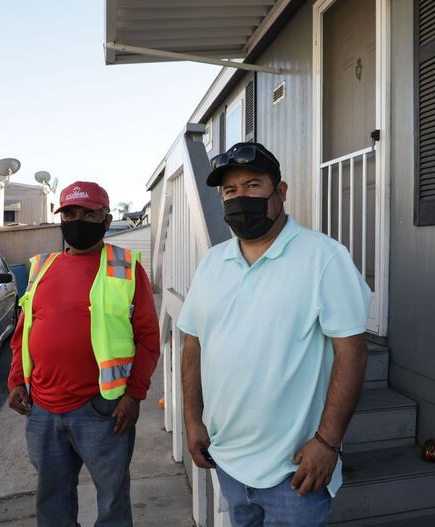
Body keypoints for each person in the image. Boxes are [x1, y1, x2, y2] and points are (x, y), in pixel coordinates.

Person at [178, 142, 371, 526]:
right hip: (228, 460)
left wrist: (328, 442)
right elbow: (193, 344)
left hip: (294, 471)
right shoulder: (212, 262)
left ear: (279, 191)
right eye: (230, 191)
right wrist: (192, 418)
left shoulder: (324, 257)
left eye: (252, 185)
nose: (240, 197)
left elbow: (352, 353)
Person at [7, 181, 160, 527]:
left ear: (106, 221)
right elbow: (23, 332)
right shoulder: (41, 267)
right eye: (70, 213)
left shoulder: (126, 267)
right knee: (52, 500)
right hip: (43, 408)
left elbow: (149, 338)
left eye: (88, 213)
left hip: (101, 409)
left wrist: (134, 395)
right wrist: (17, 379)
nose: (78, 220)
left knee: (112, 501)